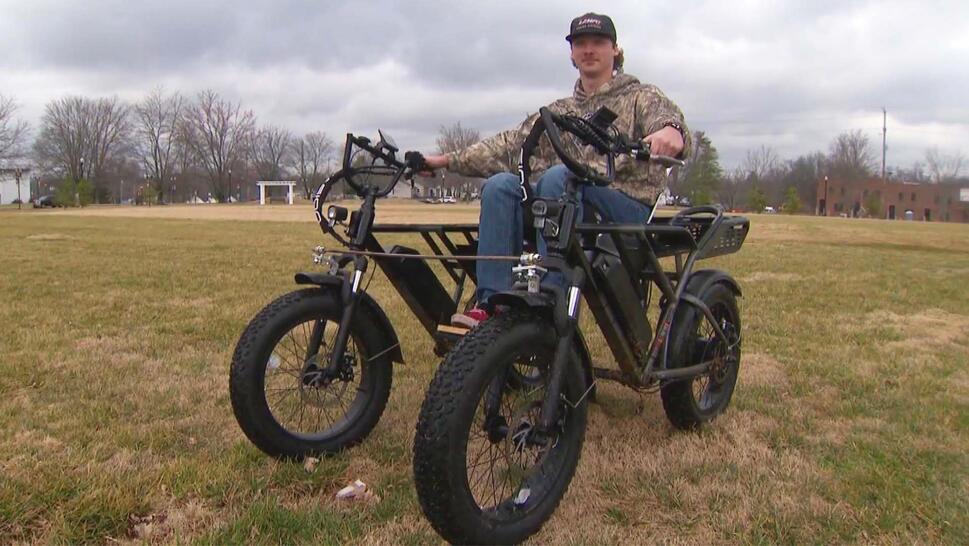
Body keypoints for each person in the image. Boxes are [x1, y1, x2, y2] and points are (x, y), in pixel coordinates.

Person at [422, 12, 691, 328]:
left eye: (598, 42)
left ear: (615, 50)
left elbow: (670, 122)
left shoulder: (641, 96)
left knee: (557, 178)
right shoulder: (560, 111)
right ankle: (491, 303)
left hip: (625, 207)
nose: (589, 49)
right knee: (500, 186)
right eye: (581, 43)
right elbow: (509, 145)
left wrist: (671, 132)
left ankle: (551, 298)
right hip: (566, 202)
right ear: (572, 54)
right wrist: (445, 161)